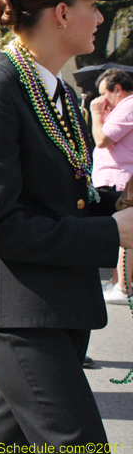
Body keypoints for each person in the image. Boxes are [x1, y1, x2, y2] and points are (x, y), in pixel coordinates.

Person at [0, 0, 129, 454]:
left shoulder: (60, 96)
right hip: (18, 315)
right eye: (93, 5)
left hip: (56, 306)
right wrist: (113, 232)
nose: (100, 18)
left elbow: (63, 198)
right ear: (62, 12)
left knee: (9, 451)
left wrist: (115, 202)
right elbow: (2, 226)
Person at [89, 67, 133, 305]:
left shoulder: (129, 105)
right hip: (117, 180)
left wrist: (96, 115)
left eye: (103, 94)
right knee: (120, 232)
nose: (101, 100)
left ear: (117, 88)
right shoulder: (123, 108)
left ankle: (123, 287)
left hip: (121, 181)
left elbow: (102, 139)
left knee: (124, 231)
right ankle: (118, 282)